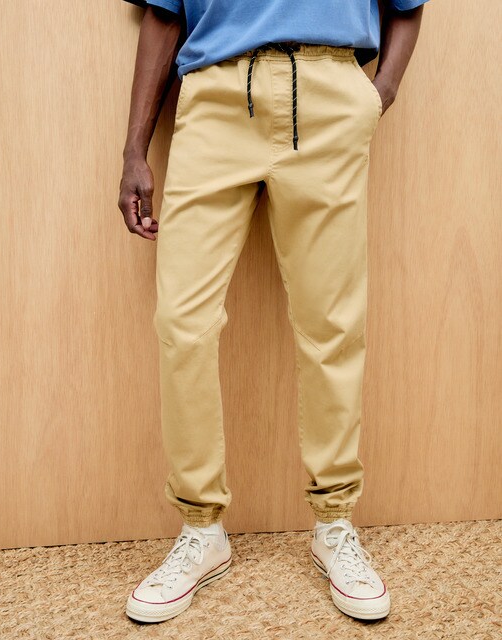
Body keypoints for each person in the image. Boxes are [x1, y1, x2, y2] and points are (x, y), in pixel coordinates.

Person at [118, 0, 427, 624]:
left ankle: (334, 522)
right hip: (213, 99)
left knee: (333, 324)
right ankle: (201, 529)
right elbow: (163, 14)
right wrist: (133, 150)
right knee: (182, 321)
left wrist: (380, 93)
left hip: (330, 94)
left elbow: (408, 5)